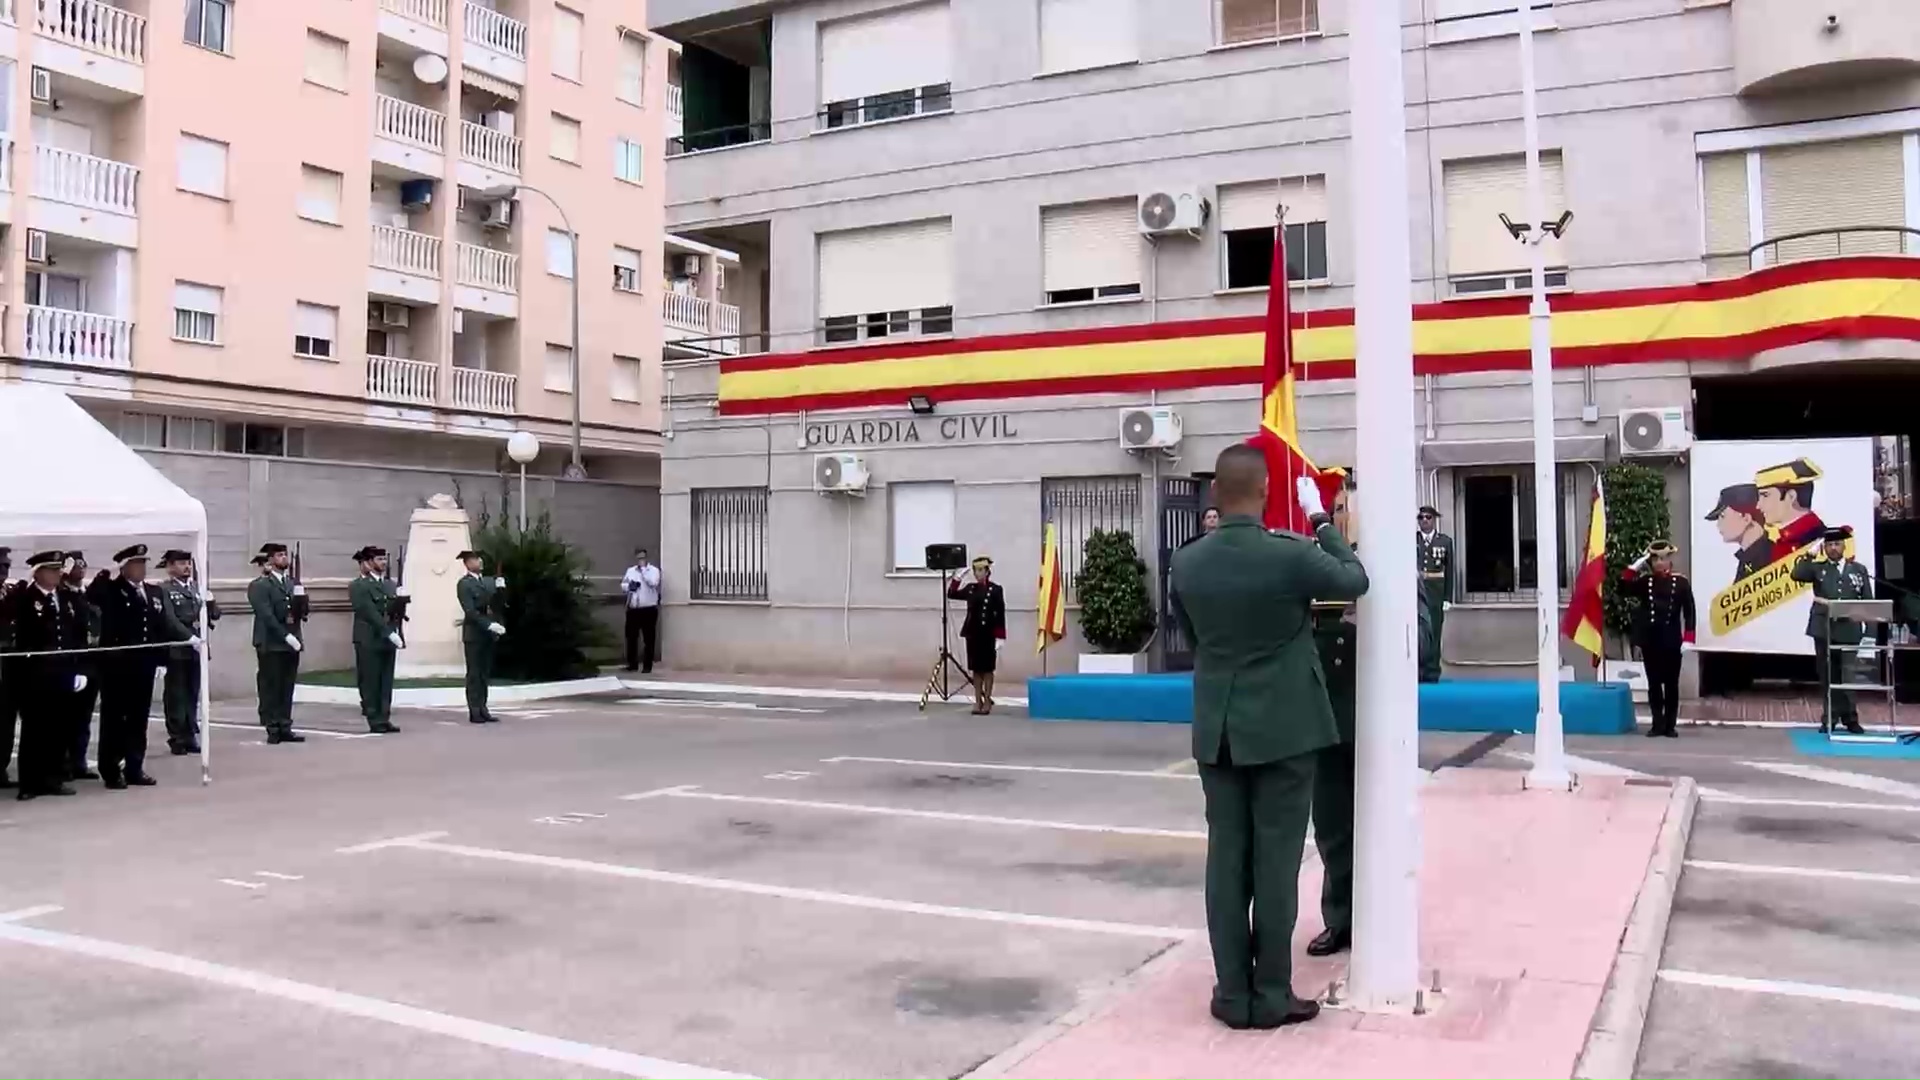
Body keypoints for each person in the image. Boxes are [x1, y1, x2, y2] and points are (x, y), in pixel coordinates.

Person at [1170, 445, 1369, 1030]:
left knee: (1225, 861)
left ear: (1214, 495)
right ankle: (1273, 993)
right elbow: (1355, 580)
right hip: (1285, 728)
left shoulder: (1189, 562)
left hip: (1219, 730)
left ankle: (1232, 994)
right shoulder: (1289, 555)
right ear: (1262, 494)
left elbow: (1195, 635)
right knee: (1275, 864)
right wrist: (1321, 521)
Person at [1308, 472, 1360, 960]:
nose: (1341, 516)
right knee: (1331, 826)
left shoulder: (1382, 559)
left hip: (1371, 717)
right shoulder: (1308, 564)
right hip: (1322, 718)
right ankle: (1339, 917)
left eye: (1343, 506)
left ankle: (1380, 914)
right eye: (1334, 508)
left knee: (1379, 825)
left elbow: (1422, 641)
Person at [10, 552, 82, 800]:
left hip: (62, 671)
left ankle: (54, 778)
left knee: (58, 729)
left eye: (58, 570)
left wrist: (77, 668)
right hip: (35, 675)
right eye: (51, 570)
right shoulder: (25, 599)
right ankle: (30, 782)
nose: (56, 575)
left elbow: (74, 635)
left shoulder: (65, 598)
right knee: (34, 731)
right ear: (38, 572)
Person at [92, 545, 164, 788]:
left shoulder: (153, 592)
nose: (141, 568)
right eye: (135, 564)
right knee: (114, 719)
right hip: (117, 667)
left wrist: (161, 658)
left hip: (144, 666)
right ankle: (111, 769)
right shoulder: (112, 591)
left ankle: (135, 766)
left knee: (138, 719)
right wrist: (106, 574)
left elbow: (158, 628)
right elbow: (91, 596)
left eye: (143, 564)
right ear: (124, 568)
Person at [1792, 526, 1872, 735]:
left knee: (1847, 676)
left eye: (1836, 544)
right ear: (1824, 548)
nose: (1833, 548)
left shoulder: (1858, 569)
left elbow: (1868, 601)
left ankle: (1850, 718)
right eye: (1829, 545)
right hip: (1824, 628)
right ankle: (1829, 718)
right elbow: (1797, 574)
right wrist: (1811, 553)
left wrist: (1870, 633)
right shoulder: (1818, 568)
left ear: (1844, 546)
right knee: (1827, 676)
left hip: (1849, 629)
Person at [1622, 540, 1697, 739]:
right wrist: (1638, 563)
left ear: (1670, 561)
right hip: (1651, 640)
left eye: (1663, 559)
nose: (1659, 563)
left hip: (1671, 640)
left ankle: (1670, 725)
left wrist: (1689, 637)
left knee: (1671, 684)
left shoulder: (1680, 583)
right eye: (1655, 560)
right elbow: (1624, 586)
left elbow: (1689, 611)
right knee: (1654, 684)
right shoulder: (1646, 582)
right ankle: (1657, 724)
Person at [249, 543, 305, 744]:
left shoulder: (291, 583)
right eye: (279, 555)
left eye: (284, 554)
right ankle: (272, 727)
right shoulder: (260, 585)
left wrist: (303, 603)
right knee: (272, 685)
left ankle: (285, 725)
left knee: (287, 685)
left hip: (291, 642)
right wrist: (285, 636)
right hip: (271, 642)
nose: (283, 558)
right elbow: (266, 615)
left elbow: (298, 614)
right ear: (270, 560)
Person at [158, 550, 212, 755]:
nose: (186, 567)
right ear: (170, 566)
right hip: (178, 649)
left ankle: (190, 733)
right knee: (176, 694)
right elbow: (170, 619)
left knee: (192, 693)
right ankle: (177, 736)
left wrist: (211, 603)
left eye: (188, 563)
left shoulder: (197, 588)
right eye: (181, 563)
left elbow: (211, 616)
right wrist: (189, 638)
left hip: (197, 649)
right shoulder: (164, 589)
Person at [349, 546, 404, 735]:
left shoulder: (390, 585)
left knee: (385, 680)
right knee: (371, 680)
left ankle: (384, 716)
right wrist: (388, 631)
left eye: (384, 559)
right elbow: (368, 611)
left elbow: (395, 611)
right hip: (368, 639)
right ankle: (374, 718)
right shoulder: (358, 586)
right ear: (370, 562)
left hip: (387, 639)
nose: (383, 562)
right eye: (379, 559)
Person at [946, 555, 1007, 715]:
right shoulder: (971, 588)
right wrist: (957, 578)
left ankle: (987, 700)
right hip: (973, 633)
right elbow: (951, 594)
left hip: (988, 633)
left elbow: (1000, 612)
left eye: (980, 570)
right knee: (976, 669)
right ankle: (977, 701)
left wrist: (1000, 636)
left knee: (987, 669)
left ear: (987, 571)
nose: (977, 573)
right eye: (975, 570)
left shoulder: (996, 589)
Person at [457, 550, 508, 724]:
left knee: (484, 673)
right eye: (475, 559)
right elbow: (470, 611)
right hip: (474, 634)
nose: (479, 561)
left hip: (488, 634)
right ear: (467, 563)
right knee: (474, 673)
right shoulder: (464, 584)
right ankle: (474, 710)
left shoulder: (488, 581)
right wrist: (488, 624)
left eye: (479, 559)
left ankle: (483, 707)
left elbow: (498, 605)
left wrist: (501, 589)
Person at [1757, 458, 1826, 562]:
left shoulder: (1820, 542)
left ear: (1791, 496)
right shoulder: (1779, 541)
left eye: (1765, 495)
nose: (1758, 505)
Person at [1416, 506, 1454, 682]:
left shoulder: (1444, 542)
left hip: (1436, 593)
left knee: (1435, 633)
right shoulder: (1413, 540)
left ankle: (1432, 671)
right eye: (1421, 517)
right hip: (1417, 594)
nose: (1424, 520)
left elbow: (1450, 571)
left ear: (1434, 520)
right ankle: (1418, 670)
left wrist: (1447, 597)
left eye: (1428, 517)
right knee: (1419, 632)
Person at [1706, 483, 1774, 581]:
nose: (1718, 524)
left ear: (1746, 518)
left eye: (1723, 516)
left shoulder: (1768, 556)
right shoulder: (1748, 557)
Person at [622, 548, 662, 674]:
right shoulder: (631, 571)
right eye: (639, 558)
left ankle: (647, 666)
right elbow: (623, 585)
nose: (641, 560)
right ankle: (632, 664)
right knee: (631, 637)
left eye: (643, 558)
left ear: (646, 558)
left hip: (648, 609)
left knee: (648, 639)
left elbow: (653, 583)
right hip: (634, 608)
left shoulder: (653, 571)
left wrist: (644, 571)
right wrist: (629, 586)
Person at [0, 546, 16, 789]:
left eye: (6, 566)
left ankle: (1, 768)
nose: (3, 571)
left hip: (9, 666)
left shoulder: (10, 593)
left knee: (6, 720)